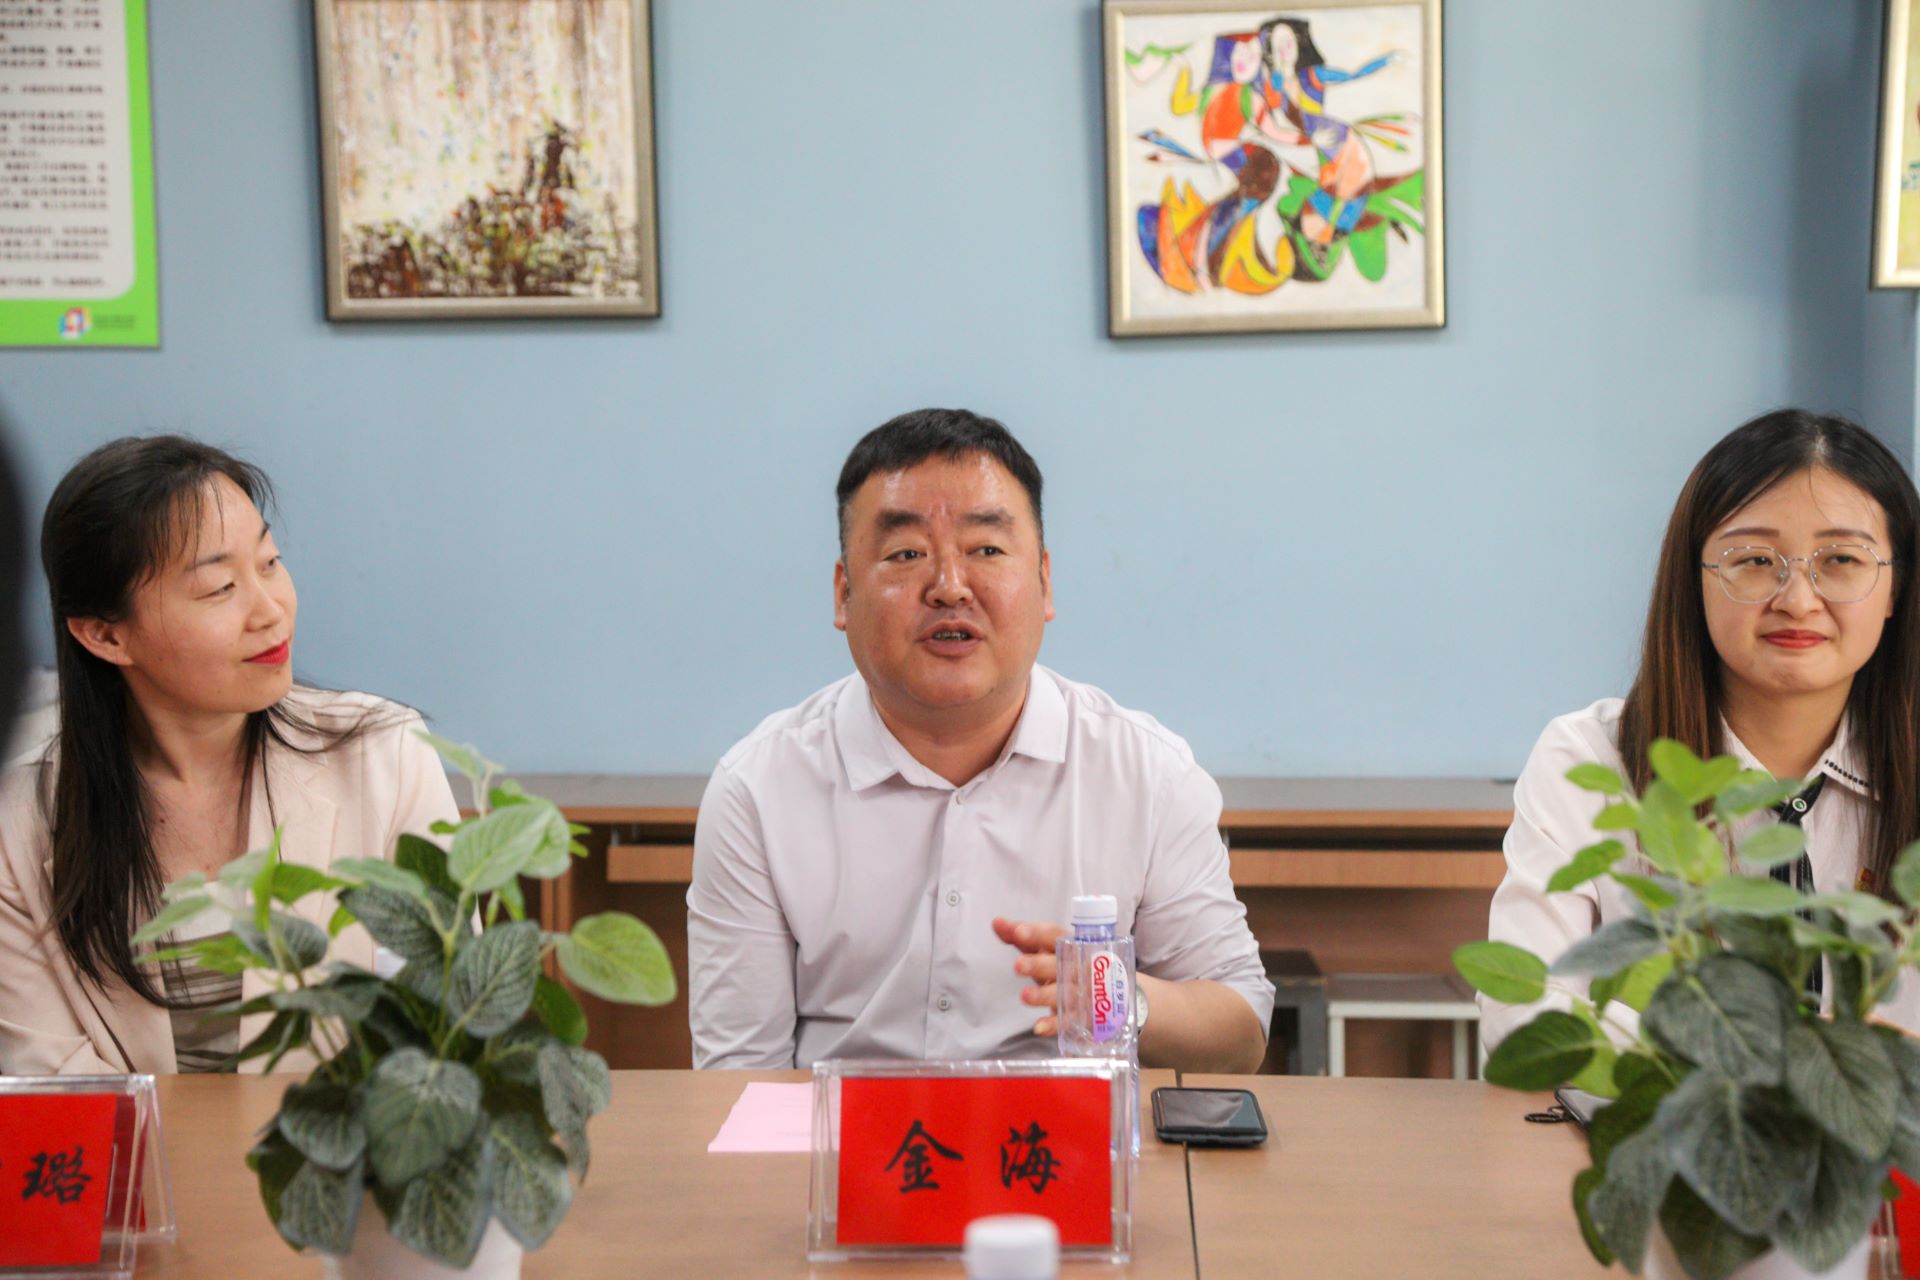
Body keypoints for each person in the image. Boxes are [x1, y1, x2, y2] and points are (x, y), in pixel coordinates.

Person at [688, 409, 1274, 1071]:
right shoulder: (759, 789)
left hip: (1066, 1135)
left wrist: (1119, 998)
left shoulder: (1146, 774)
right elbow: (738, 1077)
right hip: (844, 1136)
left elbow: (1241, 1032)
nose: (949, 587)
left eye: (986, 550)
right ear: (843, 593)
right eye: (906, 554)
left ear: (1045, 582)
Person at [0, 436, 458, 1075]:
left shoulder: (387, 755)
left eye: (269, 563)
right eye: (220, 588)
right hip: (132, 1144)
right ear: (105, 634)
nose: (271, 611)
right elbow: (53, 1078)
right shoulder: (18, 824)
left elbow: (439, 1025)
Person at [1481, 410, 1920, 1048]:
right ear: (1696, 581)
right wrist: (1758, 1058)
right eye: (1755, 560)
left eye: (1842, 559)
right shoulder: (1592, 760)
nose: (1798, 600)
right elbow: (1523, 1013)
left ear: (1895, 588)